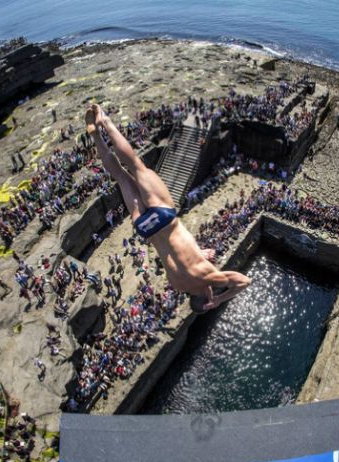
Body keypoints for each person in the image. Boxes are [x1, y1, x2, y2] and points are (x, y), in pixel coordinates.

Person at [85, 104, 251, 313]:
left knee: (135, 164)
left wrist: (219, 300)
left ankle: (105, 123)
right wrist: (199, 253)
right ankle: (96, 137)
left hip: (165, 217)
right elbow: (180, 257)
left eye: (212, 295)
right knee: (119, 175)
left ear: (208, 297)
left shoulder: (207, 277)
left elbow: (244, 282)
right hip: (147, 228)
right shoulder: (178, 285)